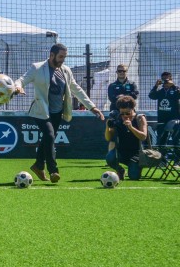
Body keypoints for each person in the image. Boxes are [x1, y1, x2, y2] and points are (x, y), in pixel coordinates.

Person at [16, 43, 104, 183]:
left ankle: (38, 165)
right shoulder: (37, 68)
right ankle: (53, 171)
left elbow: (76, 89)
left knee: (47, 139)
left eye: (65, 57)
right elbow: (22, 79)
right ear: (52, 55)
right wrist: (18, 87)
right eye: (61, 56)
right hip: (41, 111)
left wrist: (92, 107)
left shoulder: (66, 71)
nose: (63, 59)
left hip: (57, 112)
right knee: (50, 135)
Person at [105, 95, 148, 181]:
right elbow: (108, 138)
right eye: (122, 113)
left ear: (133, 109)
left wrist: (131, 128)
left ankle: (134, 167)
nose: (125, 116)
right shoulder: (117, 118)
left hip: (136, 153)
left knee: (134, 177)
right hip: (121, 151)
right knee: (110, 157)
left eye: (128, 113)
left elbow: (143, 137)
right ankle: (120, 170)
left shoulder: (139, 118)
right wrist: (107, 126)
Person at [149, 71, 179, 144]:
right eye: (163, 79)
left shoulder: (175, 89)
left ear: (171, 79)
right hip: (162, 118)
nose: (165, 81)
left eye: (167, 79)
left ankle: (176, 152)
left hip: (173, 118)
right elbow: (151, 96)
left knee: (176, 137)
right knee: (161, 137)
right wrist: (156, 86)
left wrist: (173, 85)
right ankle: (162, 152)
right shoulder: (160, 91)